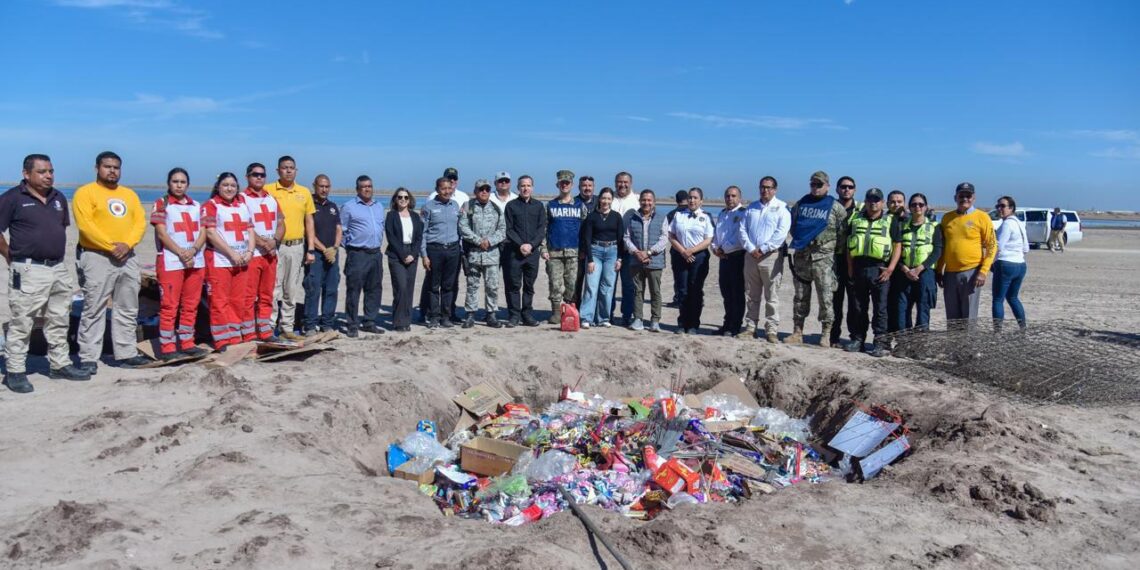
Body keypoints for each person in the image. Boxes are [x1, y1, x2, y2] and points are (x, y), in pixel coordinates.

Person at [1, 154, 89, 393]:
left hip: (58, 268)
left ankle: (60, 364)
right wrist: (10, 255)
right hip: (29, 269)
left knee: (59, 318)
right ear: (26, 174)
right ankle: (15, 371)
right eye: (42, 171)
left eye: (50, 171)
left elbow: (58, 229)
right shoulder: (12, 198)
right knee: (22, 321)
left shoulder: (58, 198)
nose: (48, 175)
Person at [74, 151, 151, 371]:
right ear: (97, 168)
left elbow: (139, 222)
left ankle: (126, 352)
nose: (112, 171)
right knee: (94, 307)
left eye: (116, 167)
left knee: (127, 307)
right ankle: (89, 357)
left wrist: (127, 244)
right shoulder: (85, 193)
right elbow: (86, 226)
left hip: (128, 257)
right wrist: (110, 246)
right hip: (97, 256)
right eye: (107, 166)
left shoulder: (129, 195)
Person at [786, 171, 849, 346]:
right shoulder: (801, 204)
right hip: (802, 259)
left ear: (828, 186)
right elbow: (793, 227)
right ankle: (798, 332)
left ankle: (826, 334)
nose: (816, 188)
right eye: (813, 184)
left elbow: (842, 235)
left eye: (819, 185)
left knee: (826, 298)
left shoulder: (836, 208)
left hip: (824, 260)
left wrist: (828, 249)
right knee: (800, 297)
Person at [151, 167, 208, 359]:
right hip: (170, 261)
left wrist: (192, 251)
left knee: (191, 304)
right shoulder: (162, 203)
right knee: (169, 306)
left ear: (188, 184)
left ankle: (187, 342)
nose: (179, 185)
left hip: (195, 261)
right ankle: (167, 347)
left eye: (183, 182)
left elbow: (203, 231)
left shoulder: (196, 205)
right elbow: (161, 232)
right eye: (175, 181)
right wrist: (180, 252)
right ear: (169, 183)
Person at [843, 188, 901, 357]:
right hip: (859, 266)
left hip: (880, 268)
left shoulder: (891, 220)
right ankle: (857, 339)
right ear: (866, 201)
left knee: (880, 308)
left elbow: (898, 245)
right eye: (870, 200)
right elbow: (848, 245)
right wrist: (850, 268)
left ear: (882, 203)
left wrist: (890, 268)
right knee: (858, 307)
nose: (873, 203)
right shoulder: (855, 219)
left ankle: (880, 342)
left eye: (876, 200)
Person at [202, 172, 255, 350]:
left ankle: (234, 335)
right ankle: (221, 339)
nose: (229, 188)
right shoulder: (211, 205)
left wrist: (250, 251)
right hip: (219, 260)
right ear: (218, 186)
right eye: (225, 185)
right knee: (219, 300)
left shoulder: (242, 204)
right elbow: (210, 232)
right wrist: (231, 253)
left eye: (233, 185)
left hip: (242, 260)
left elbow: (250, 230)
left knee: (237, 300)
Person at [264, 155, 315, 339]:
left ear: (296, 170)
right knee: (272, 289)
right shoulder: (268, 190)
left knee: (290, 290)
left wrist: (310, 249)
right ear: (277, 170)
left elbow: (309, 221)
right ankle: (269, 328)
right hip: (275, 247)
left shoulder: (304, 192)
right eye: (284, 167)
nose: (288, 170)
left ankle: (287, 328)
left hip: (296, 247)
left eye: (291, 167)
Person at [935, 182, 997, 328]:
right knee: (952, 317)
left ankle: (969, 350)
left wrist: (983, 271)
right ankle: (954, 349)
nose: (965, 199)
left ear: (974, 198)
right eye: (961, 195)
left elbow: (992, 246)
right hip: (950, 274)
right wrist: (939, 270)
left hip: (972, 272)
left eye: (968, 196)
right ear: (955, 197)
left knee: (969, 317)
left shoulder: (982, 217)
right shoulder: (947, 218)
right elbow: (944, 247)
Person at [739, 176, 791, 342]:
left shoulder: (782, 208)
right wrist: (751, 248)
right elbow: (742, 230)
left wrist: (763, 249)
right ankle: (750, 327)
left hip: (771, 257)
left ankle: (771, 330)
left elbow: (781, 234)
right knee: (751, 294)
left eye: (768, 187)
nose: (765, 190)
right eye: (762, 187)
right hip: (751, 256)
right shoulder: (751, 208)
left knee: (772, 295)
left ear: (775, 189)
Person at [242, 162, 285, 341]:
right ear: (247, 177)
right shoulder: (241, 198)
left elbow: (281, 222)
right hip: (253, 255)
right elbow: (242, 225)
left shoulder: (271, 198)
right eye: (255, 174)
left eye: (262, 175)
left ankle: (265, 330)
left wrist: (274, 241)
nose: (259, 177)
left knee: (267, 295)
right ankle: (249, 332)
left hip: (270, 255)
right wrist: (261, 243)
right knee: (249, 296)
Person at [340, 175, 386, 336]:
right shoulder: (349, 207)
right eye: (364, 187)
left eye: (369, 186)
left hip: (375, 253)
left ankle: (369, 321)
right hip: (357, 254)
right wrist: (350, 248)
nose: (367, 189)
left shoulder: (379, 206)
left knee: (374, 289)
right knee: (354, 290)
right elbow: (341, 231)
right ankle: (352, 324)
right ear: (357, 189)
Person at [459, 179, 506, 328]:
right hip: (474, 254)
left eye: (486, 189)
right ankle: (470, 314)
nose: (484, 192)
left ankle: (491, 314)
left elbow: (502, 230)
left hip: (492, 255)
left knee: (492, 286)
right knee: (472, 286)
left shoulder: (496, 208)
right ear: (475, 191)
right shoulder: (468, 207)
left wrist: (490, 241)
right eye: (481, 189)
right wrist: (479, 241)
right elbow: (463, 228)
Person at [891, 193, 941, 332]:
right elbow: (897, 250)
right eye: (913, 204)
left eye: (920, 204)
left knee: (923, 309)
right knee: (902, 309)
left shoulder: (934, 226)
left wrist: (919, 268)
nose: (917, 207)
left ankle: (920, 345)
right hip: (904, 273)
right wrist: (905, 269)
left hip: (925, 273)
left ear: (926, 207)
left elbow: (937, 250)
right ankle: (903, 343)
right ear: (909, 207)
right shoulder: (902, 225)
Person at [669, 187, 715, 334]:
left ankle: (694, 324)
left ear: (701, 200)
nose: (692, 200)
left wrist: (691, 251)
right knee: (682, 290)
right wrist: (683, 251)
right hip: (680, 256)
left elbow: (708, 239)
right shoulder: (678, 215)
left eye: (695, 198)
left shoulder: (706, 217)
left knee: (695, 290)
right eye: (690, 197)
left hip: (699, 257)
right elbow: (671, 235)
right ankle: (682, 323)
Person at [543, 170, 587, 324]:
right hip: (554, 252)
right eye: (562, 183)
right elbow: (544, 228)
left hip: (574, 252)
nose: (564, 185)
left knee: (572, 284)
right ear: (558, 184)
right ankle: (556, 311)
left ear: (572, 185)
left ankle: (569, 310)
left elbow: (585, 230)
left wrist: (584, 250)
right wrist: (543, 249)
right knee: (555, 284)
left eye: (567, 183)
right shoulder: (550, 205)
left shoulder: (580, 206)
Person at [623, 189, 670, 332]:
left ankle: (655, 321)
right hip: (636, 260)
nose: (646, 203)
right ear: (640, 201)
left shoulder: (662, 217)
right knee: (638, 290)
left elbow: (664, 238)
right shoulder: (632, 217)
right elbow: (626, 237)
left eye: (649, 200)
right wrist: (636, 252)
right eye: (643, 200)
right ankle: (638, 319)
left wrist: (649, 252)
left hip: (654, 261)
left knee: (655, 291)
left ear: (654, 202)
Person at [504, 175, 547, 327]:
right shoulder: (511, 206)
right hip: (515, 253)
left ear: (532, 188)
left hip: (532, 254)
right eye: (523, 185)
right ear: (518, 188)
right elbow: (508, 229)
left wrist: (532, 245)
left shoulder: (539, 206)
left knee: (529, 286)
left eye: (528, 185)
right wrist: (521, 245)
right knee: (514, 286)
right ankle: (514, 315)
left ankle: (527, 314)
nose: (525, 188)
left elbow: (541, 229)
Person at [578, 188, 624, 328]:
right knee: (591, 286)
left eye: (609, 198)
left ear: (612, 200)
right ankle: (586, 317)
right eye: (603, 198)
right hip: (595, 252)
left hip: (612, 252)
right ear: (599, 199)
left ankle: (603, 318)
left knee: (607, 287)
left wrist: (619, 259)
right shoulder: (592, 216)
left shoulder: (616, 216)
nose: (605, 201)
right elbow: (587, 238)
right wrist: (590, 260)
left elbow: (621, 238)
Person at [421, 176, 463, 329]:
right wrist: (424, 255)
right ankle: (433, 316)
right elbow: (423, 233)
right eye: (443, 188)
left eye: (449, 188)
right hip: (434, 250)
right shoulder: (429, 207)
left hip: (453, 250)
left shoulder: (455, 205)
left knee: (448, 286)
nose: (447, 191)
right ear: (437, 189)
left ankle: (445, 317)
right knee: (433, 286)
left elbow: (460, 228)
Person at [303, 174, 342, 335]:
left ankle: (327, 323)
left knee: (331, 289)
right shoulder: (309, 205)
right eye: (321, 186)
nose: (324, 189)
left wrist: (334, 247)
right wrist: (323, 249)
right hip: (316, 255)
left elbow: (339, 228)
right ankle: (310, 325)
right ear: (315, 186)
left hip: (333, 254)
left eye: (327, 186)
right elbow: (308, 231)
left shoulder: (333, 206)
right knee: (313, 290)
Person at [384, 188, 423, 332]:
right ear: (395, 199)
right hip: (396, 255)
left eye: (406, 197)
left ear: (409, 199)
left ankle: (407, 320)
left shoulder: (415, 216)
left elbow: (419, 237)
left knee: (409, 288)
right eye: (400, 197)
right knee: (400, 287)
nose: (403, 200)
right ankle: (398, 321)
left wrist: (413, 254)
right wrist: (402, 255)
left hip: (412, 254)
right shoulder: (391, 216)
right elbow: (391, 237)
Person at [712, 186, 746, 336]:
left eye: (733, 196)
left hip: (737, 256)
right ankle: (727, 323)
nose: (730, 199)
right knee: (726, 292)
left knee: (737, 293)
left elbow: (740, 236)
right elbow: (717, 234)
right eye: (727, 196)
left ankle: (735, 325)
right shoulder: (722, 214)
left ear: (739, 198)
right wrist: (715, 248)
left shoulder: (743, 213)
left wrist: (723, 248)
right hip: (723, 258)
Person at [830, 176, 860, 347]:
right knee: (835, 301)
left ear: (854, 189)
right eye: (843, 187)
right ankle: (833, 337)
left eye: (850, 187)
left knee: (855, 302)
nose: (846, 190)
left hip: (855, 262)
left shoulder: (861, 210)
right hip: (835, 260)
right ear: (837, 189)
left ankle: (854, 336)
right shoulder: (830, 208)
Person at [992, 195, 1029, 331]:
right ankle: (1023, 328)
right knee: (1013, 297)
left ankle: (997, 332)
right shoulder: (1019, 223)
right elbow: (1026, 248)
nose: (999, 209)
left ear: (1011, 208)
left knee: (998, 299)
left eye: (1002, 206)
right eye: (998, 206)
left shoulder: (1007, 224)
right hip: (1020, 265)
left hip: (1006, 264)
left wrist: (990, 264)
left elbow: (998, 247)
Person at [611, 172, 639, 325]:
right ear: (615, 183)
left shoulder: (636, 200)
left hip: (630, 250)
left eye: (625, 182)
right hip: (611, 248)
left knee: (628, 285)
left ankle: (626, 315)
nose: (622, 185)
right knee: (609, 284)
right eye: (619, 182)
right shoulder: (610, 198)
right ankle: (608, 314)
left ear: (631, 182)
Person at [571, 174, 597, 304]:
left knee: (594, 283)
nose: (587, 188)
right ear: (579, 187)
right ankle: (575, 310)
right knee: (576, 282)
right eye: (584, 185)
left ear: (594, 187)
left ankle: (592, 312)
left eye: (590, 186)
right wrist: (581, 250)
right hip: (578, 249)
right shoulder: (573, 202)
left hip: (596, 248)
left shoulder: (600, 202)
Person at [666, 189, 689, 308]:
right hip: (693, 249)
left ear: (676, 200)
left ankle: (679, 298)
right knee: (692, 276)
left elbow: (667, 233)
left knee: (678, 275)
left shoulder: (672, 214)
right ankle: (692, 298)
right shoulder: (692, 211)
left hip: (676, 249)